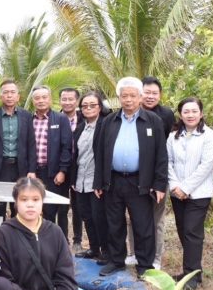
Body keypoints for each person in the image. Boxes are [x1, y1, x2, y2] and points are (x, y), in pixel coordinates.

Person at [93, 77, 168, 278]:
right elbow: (99, 152)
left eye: (133, 96)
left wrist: (159, 184)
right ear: (119, 97)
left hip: (140, 181)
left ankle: (144, 265)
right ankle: (117, 261)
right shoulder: (109, 121)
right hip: (113, 180)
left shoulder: (153, 121)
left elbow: (161, 155)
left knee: (143, 225)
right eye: (124, 96)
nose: (128, 100)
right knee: (114, 224)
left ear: (140, 97)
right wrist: (98, 181)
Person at [167, 97, 213, 290]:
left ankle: (192, 276)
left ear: (201, 113)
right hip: (177, 192)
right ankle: (191, 272)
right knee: (183, 230)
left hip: (199, 193)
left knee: (192, 232)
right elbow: (168, 162)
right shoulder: (173, 136)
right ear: (180, 115)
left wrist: (186, 188)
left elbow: (206, 166)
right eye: (186, 111)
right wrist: (175, 186)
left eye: (194, 111)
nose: (190, 115)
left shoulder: (209, 136)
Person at [127, 76, 176, 269]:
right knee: (133, 217)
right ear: (140, 94)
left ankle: (155, 257)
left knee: (156, 219)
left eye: (154, 93)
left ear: (160, 95)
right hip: (134, 177)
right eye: (146, 92)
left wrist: (160, 180)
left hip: (157, 175)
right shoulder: (129, 114)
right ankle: (133, 253)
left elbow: (165, 149)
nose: (150, 96)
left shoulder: (166, 115)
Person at [0, 79, 37, 217]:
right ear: (0, 96)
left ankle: (17, 229)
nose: (9, 96)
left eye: (12, 92)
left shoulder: (26, 116)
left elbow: (31, 144)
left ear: (18, 96)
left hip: (20, 168)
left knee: (19, 204)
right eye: (6, 92)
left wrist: (32, 170)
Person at [72, 91, 111, 262]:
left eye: (92, 105)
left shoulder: (106, 125)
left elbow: (106, 156)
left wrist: (100, 182)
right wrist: (73, 179)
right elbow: (76, 155)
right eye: (84, 106)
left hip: (97, 181)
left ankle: (106, 251)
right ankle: (94, 248)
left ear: (100, 107)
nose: (88, 108)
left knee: (99, 216)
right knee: (86, 215)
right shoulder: (81, 127)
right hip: (80, 179)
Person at [30, 85, 72, 234]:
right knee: (35, 208)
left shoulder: (60, 119)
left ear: (50, 99)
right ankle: (40, 240)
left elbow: (67, 147)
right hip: (34, 173)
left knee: (53, 210)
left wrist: (62, 171)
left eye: (44, 97)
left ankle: (60, 241)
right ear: (33, 101)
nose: (41, 100)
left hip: (54, 173)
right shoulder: (29, 119)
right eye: (37, 98)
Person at [60, 87, 84, 250]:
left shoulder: (84, 117)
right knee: (62, 205)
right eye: (64, 99)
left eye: (71, 99)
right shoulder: (54, 118)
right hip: (60, 168)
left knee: (78, 206)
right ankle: (63, 240)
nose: (67, 102)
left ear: (77, 101)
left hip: (80, 167)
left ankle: (77, 240)